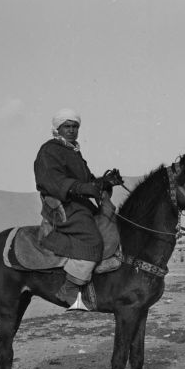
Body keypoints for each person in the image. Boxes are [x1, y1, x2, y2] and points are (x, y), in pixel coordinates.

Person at [34, 108, 112, 310]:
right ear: (57, 129)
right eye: (67, 127)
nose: (71, 130)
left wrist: (104, 182)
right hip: (62, 205)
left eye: (75, 127)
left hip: (78, 204)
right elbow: (54, 181)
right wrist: (86, 188)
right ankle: (69, 289)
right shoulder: (49, 151)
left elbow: (86, 180)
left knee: (109, 223)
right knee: (92, 240)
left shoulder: (72, 151)